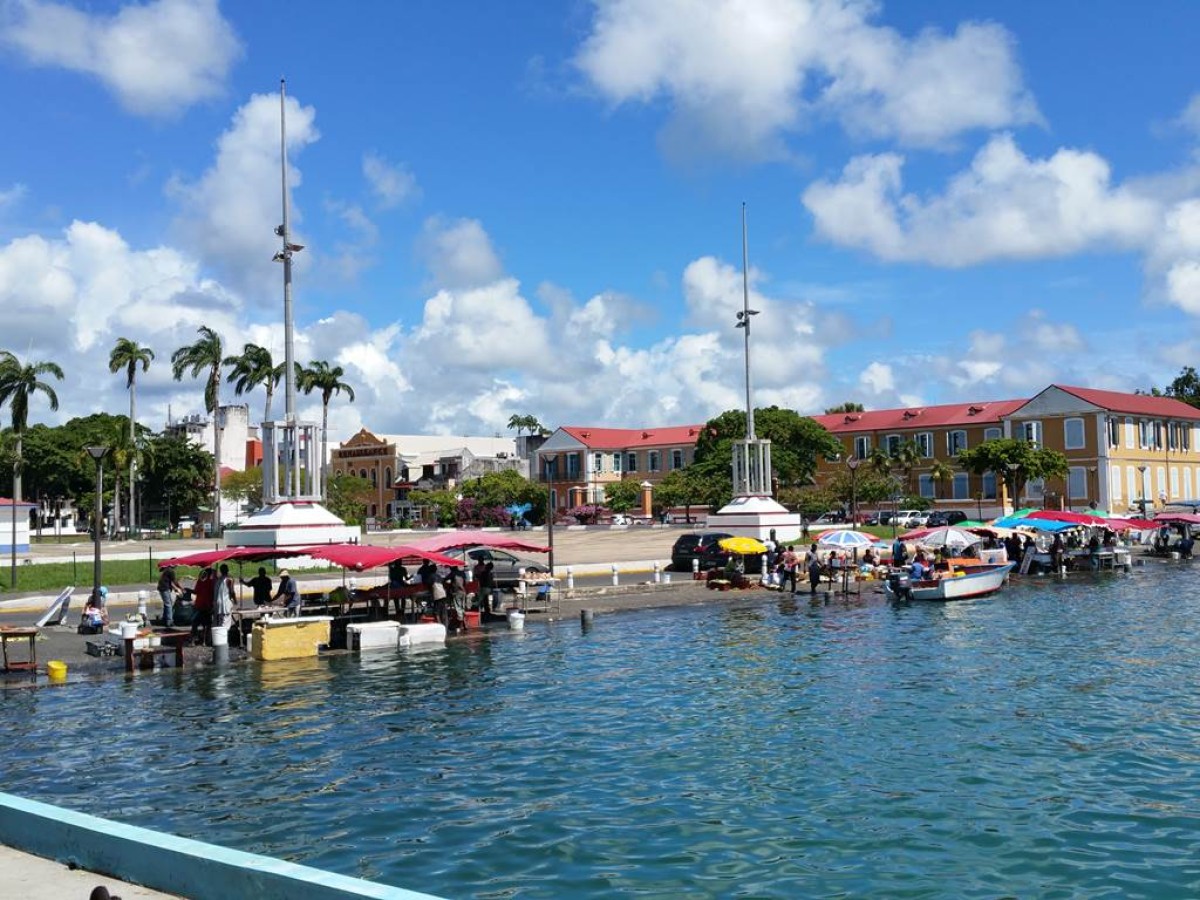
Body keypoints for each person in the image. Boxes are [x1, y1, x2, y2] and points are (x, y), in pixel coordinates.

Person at [191, 567, 214, 645]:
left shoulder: (200, 581)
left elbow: (195, 591)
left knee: (195, 623)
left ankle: (193, 640)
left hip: (199, 605)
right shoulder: (212, 582)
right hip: (207, 606)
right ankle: (205, 641)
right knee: (207, 625)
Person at [214, 564, 235, 631]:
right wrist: (235, 600)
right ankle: (224, 640)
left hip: (218, 605)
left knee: (220, 623)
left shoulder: (218, 580)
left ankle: (220, 639)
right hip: (225, 605)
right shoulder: (229, 579)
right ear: (227, 570)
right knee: (226, 625)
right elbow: (231, 592)